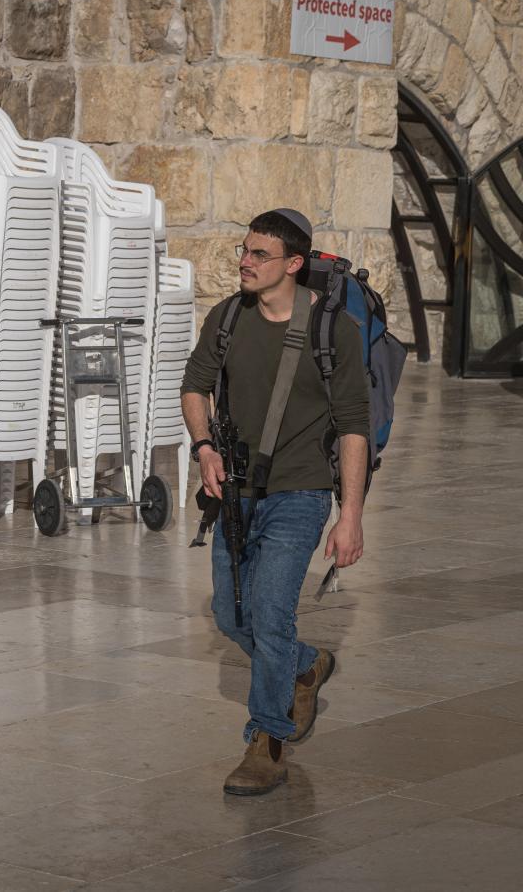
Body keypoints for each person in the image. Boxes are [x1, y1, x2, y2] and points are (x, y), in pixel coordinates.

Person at [180, 208, 369, 797]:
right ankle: (305, 664)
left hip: (301, 490)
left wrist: (352, 516)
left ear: (293, 264)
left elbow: (354, 427)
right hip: (233, 492)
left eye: (260, 255)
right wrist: (205, 446)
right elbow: (194, 386)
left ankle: (266, 741)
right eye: (245, 250)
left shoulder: (332, 329)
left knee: (268, 612)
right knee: (230, 616)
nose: (245, 261)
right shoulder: (228, 316)